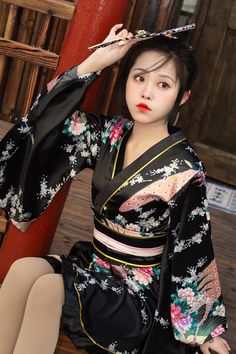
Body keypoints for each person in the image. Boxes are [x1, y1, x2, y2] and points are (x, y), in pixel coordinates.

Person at [0, 24, 231, 354]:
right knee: (24, 270)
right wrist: (96, 63)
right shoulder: (109, 133)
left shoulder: (185, 169)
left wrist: (205, 331)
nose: (146, 92)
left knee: (49, 288)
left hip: (135, 296)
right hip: (96, 268)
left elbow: (194, 247)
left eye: (162, 84)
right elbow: (43, 122)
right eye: (139, 78)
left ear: (183, 97)